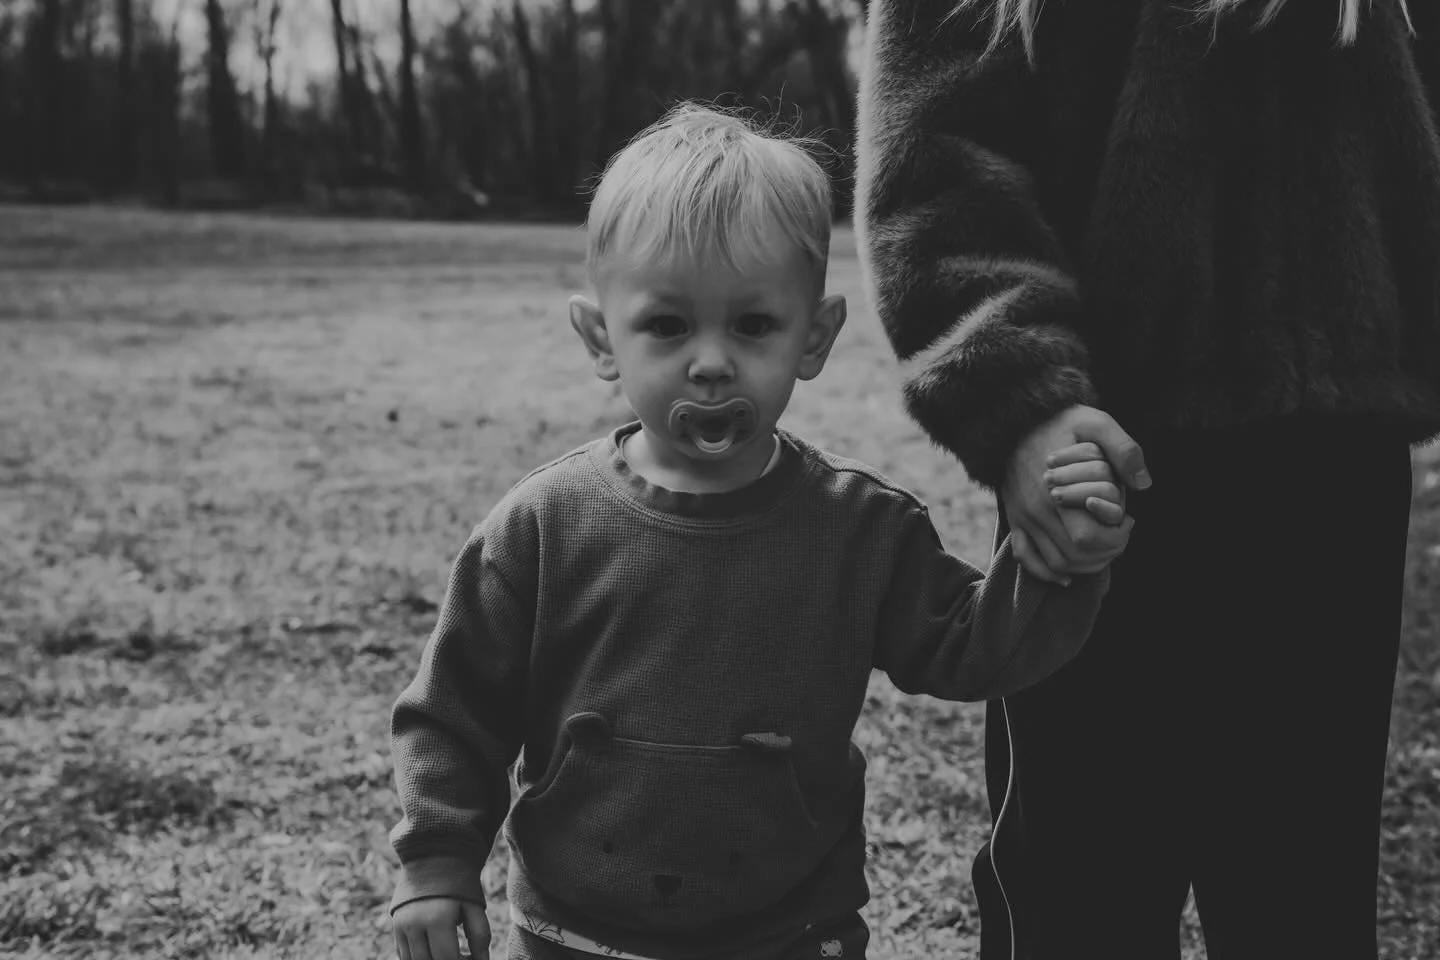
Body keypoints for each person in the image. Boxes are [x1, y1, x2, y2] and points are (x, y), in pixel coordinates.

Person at [386, 103, 1131, 960]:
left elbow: (970, 646)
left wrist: (1057, 562)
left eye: (753, 325)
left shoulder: (859, 529)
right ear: (601, 336)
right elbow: (454, 709)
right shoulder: (543, 525)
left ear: (812, 337)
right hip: (574, 929)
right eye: (667, 325)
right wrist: (436, 862)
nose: (710, 361)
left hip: (790, 929)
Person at [854, 1, 1440, 958]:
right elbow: (940, 147)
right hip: (1094, 465)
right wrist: (1025, 398)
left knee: (1304, 903)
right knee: (1081, 899)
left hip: (1336, 465)